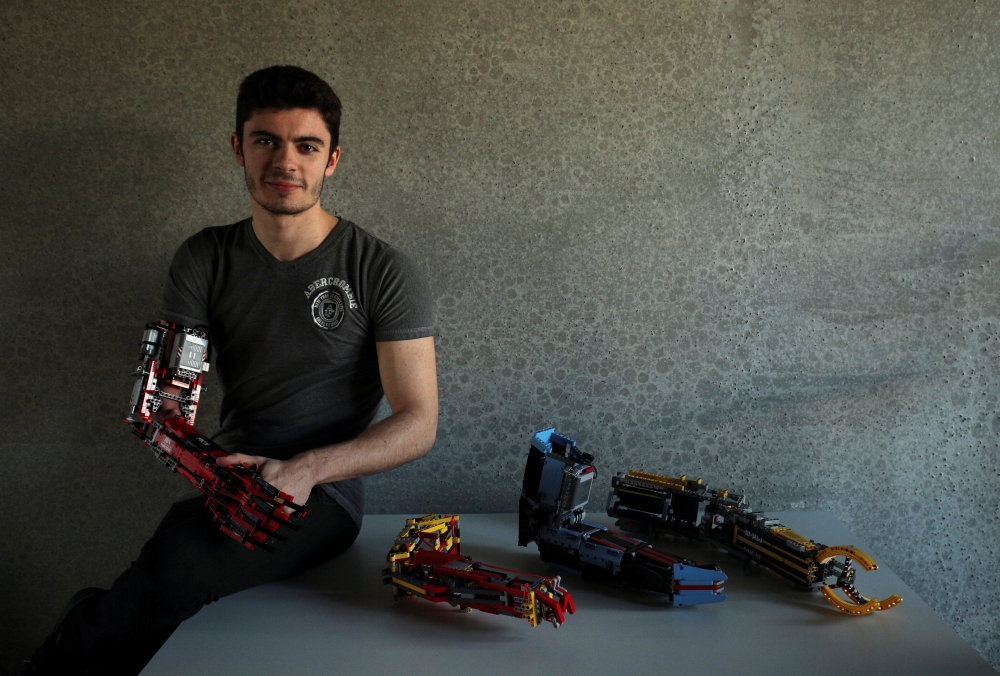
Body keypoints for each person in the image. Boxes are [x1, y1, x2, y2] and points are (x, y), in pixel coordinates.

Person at [18, 65, 438, 676]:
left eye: (306, 145)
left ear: (333, 159)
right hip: (230, 473)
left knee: (180, 565)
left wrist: (305, 468)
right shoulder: (205, 257)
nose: (285, 161)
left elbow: (419, 421)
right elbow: (166, 398)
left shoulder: (381, 270)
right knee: (173, 554)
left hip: (322, 494)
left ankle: (51, 665)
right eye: (266, 140)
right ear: (238, 148)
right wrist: (189, 448)